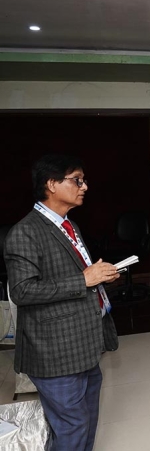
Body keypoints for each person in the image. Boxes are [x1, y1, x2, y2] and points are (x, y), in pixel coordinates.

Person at [4, 154, 120, 451]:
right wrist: (84, 280)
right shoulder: (26, 232)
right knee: (72, 426)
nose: (85, 186)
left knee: (86, 419)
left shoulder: (68, 226)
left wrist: (99, 276)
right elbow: (22, 291)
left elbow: (73, 277)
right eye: (77, 180)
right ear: (52, 184)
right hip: (54, 351)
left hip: (82, 344)